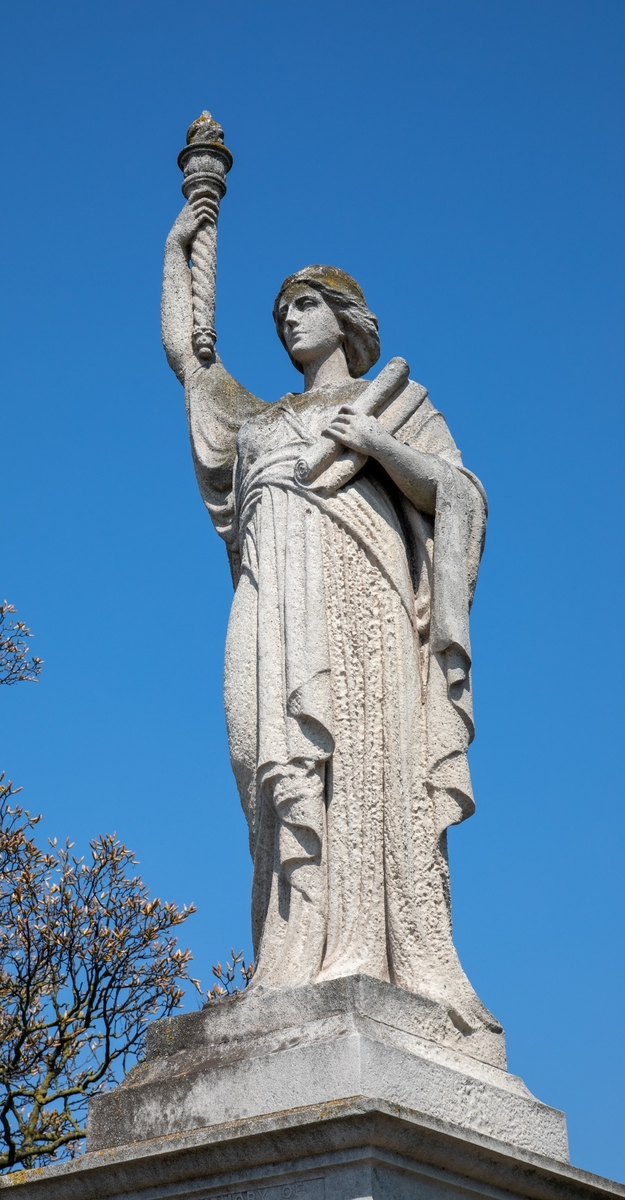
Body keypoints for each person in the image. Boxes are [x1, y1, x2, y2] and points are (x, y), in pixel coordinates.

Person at [162, 201, 500, 1042]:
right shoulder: (257, 418)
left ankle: (359, 953)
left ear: (346, 319)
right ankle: (284, 957)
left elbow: (461, 498)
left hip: (359, 601)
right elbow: (186, 356)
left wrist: (381, 447)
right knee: (265, 761)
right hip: (270, 599)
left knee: (355, 768)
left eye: (304, 304)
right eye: (279, 311)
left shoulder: (396, 403)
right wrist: (183, 244)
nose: (287, 318)